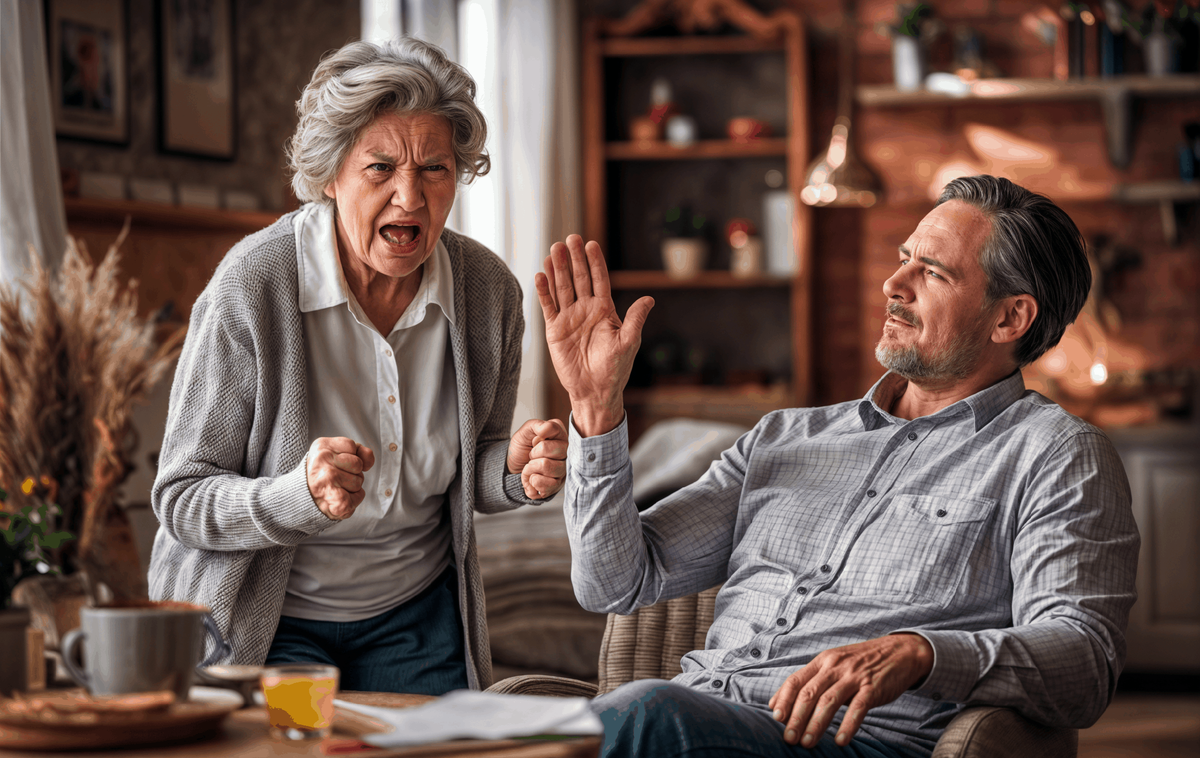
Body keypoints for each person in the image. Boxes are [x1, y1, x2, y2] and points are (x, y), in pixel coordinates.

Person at [537, 175, 1139, 757]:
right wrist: (596, 407)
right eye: (904, 258)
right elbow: (612, 582)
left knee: (643, 717)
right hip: (695, 717)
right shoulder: (783, 437)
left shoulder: (1055, 455)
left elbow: (1084, 662)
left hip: (852, 742)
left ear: (1009, 319)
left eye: (932, 272)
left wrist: (920, 653)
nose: (893, 284)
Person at [148, 38, 567, 695]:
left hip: (415, 617)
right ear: (329, 176)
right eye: (380, 169)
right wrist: (295, 497)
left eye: (435, 169)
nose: (410, 196)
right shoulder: (255, 285)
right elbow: (181, 498)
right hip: (266, 620)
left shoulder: (488, 292)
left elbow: (471, 468)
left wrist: (511, 469)